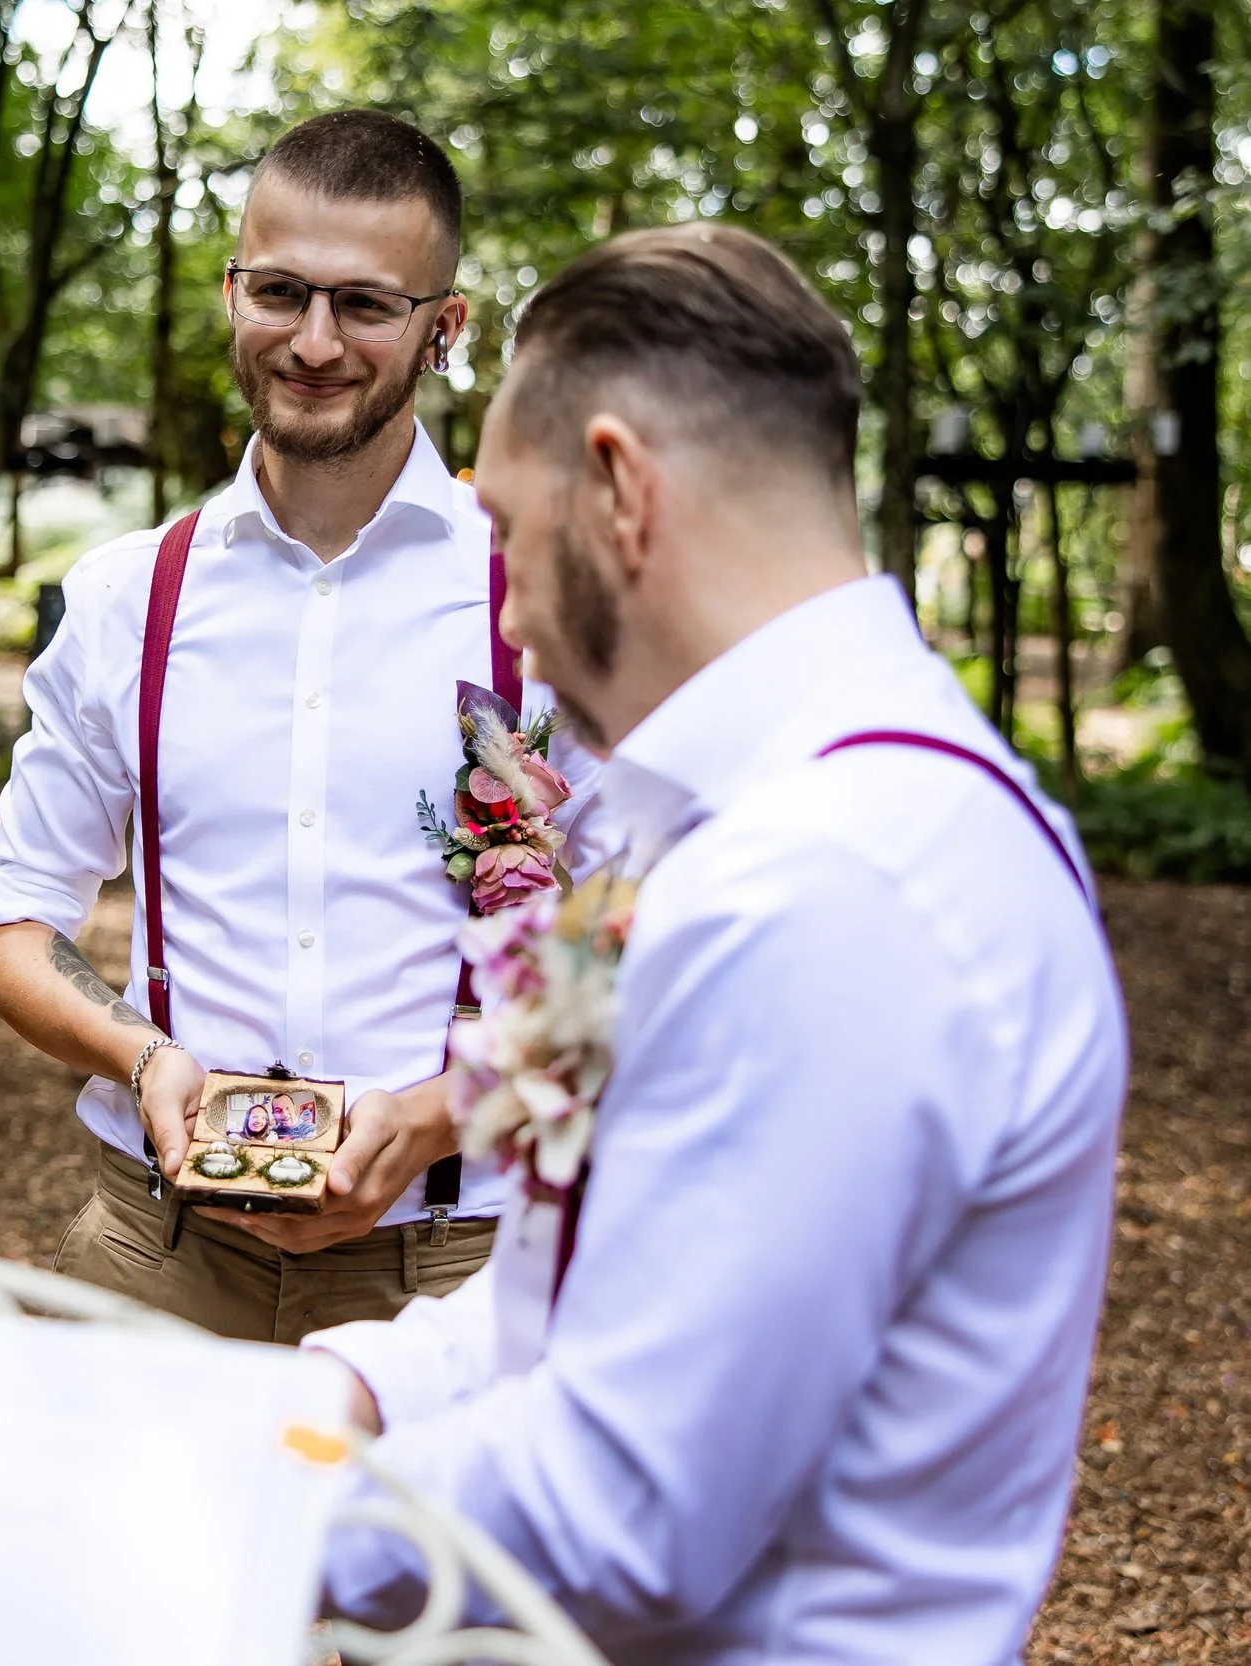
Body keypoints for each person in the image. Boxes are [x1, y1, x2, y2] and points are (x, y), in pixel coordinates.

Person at [305, 224, 1127, 1663]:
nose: (505, 610)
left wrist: (238, 1506)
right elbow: (597, 1288)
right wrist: (357, 1389)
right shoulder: (767, 818)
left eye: (504, 531)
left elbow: (626, 1504)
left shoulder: (832, 881)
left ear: (618, 487)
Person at [0, 110, 605, 1342]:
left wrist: (435, 1115)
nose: (313, 342)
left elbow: (639, 944)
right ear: (232, 293)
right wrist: (144, 1061)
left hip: (459, 1278)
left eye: (365, 304)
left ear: (442, 326)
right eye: (280, 292)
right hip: (156, 1263)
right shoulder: (122, 599)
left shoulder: (544, 596)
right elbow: (8, 922)